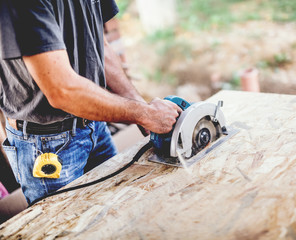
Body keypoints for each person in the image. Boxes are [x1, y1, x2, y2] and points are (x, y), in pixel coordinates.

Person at [0, 0, 181, 204]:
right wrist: (144, 114)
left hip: (94, 124)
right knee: (68, 228)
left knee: (115, 207)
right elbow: (62, 91)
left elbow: (97, 45)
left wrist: (141, 107)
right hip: (46, 144)